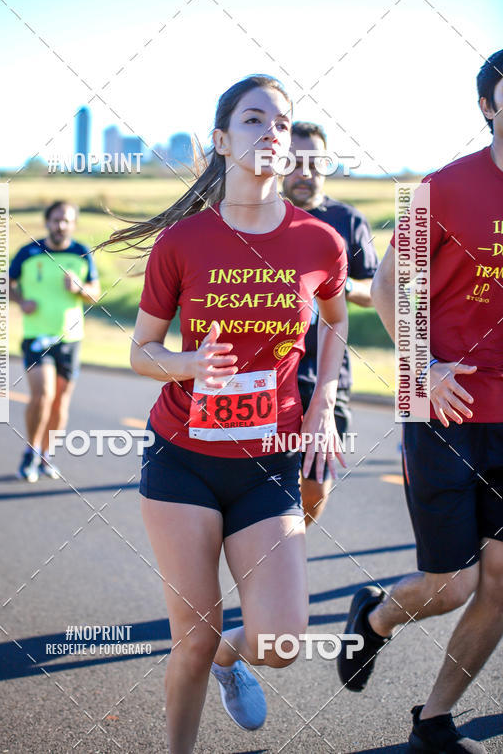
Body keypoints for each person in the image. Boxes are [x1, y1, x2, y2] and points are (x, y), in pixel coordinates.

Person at [102, 75, 348, 753]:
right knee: (190, 638)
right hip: (184, 458)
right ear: (221, 140)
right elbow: (141, 351)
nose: (270, 131)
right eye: (252, 119)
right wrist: (188, 366)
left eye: (280, 121)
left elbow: (337, 317)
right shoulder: (184, 242)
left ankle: (228, 659)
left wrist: (322, 402)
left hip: (268, 463)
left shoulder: (319, 242)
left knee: (281, 641)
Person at [337, 49, 503, 753]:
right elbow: (384, 286)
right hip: (444, 406)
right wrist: (424, 362)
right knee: (454, 582)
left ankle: (434, 721)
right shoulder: (442, 187)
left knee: (500, 582)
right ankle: (374, 617)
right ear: (489, 107)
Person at [282, 122, 378, 525]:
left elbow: (377, 291)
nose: (304, 173)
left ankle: (287, 554)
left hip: (326, 373)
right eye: (294, 162)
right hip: (268, 374)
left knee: (315, 483)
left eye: (313, 162)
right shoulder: (262, 218)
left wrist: (334, 286)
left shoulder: (347, 220)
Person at [9, 201, 100, 482]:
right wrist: (21, 300)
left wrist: (80, 288)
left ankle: (46, 455)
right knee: (43, 395)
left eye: (67, 220)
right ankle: (30, 452)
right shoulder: (28, 252)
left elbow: (95, 294)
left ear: (73, 224)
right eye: (56, 219)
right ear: (47, 222)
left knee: (60, 403)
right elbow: (6, 285)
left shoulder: (81, 252)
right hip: (37, 335)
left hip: (71, 338)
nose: (61, 225)